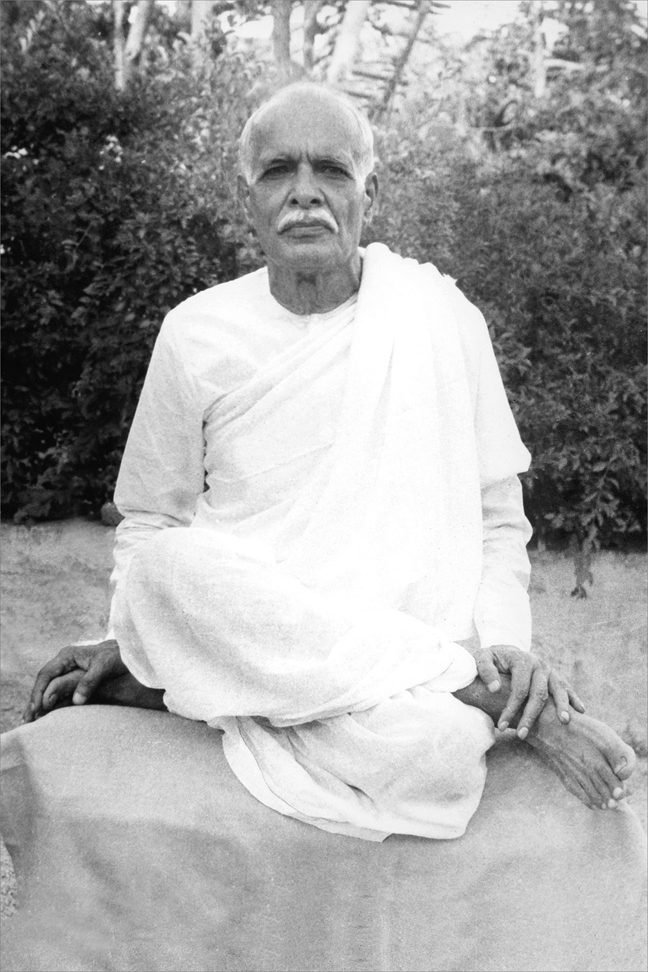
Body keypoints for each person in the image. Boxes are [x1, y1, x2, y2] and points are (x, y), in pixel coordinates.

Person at [23, 82, 635, 839]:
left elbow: (496, 516)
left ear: (369, 194)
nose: (306, 193)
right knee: (167, 567)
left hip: (399, 642)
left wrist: (506, 643)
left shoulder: (442, 318)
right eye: (279, 170)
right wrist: (133, 637)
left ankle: (203, 693)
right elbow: (150, 519)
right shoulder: (195, 331)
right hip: (264, 628)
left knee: (439, 754)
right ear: (248, 198)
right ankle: (465, 689)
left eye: (333, 171)